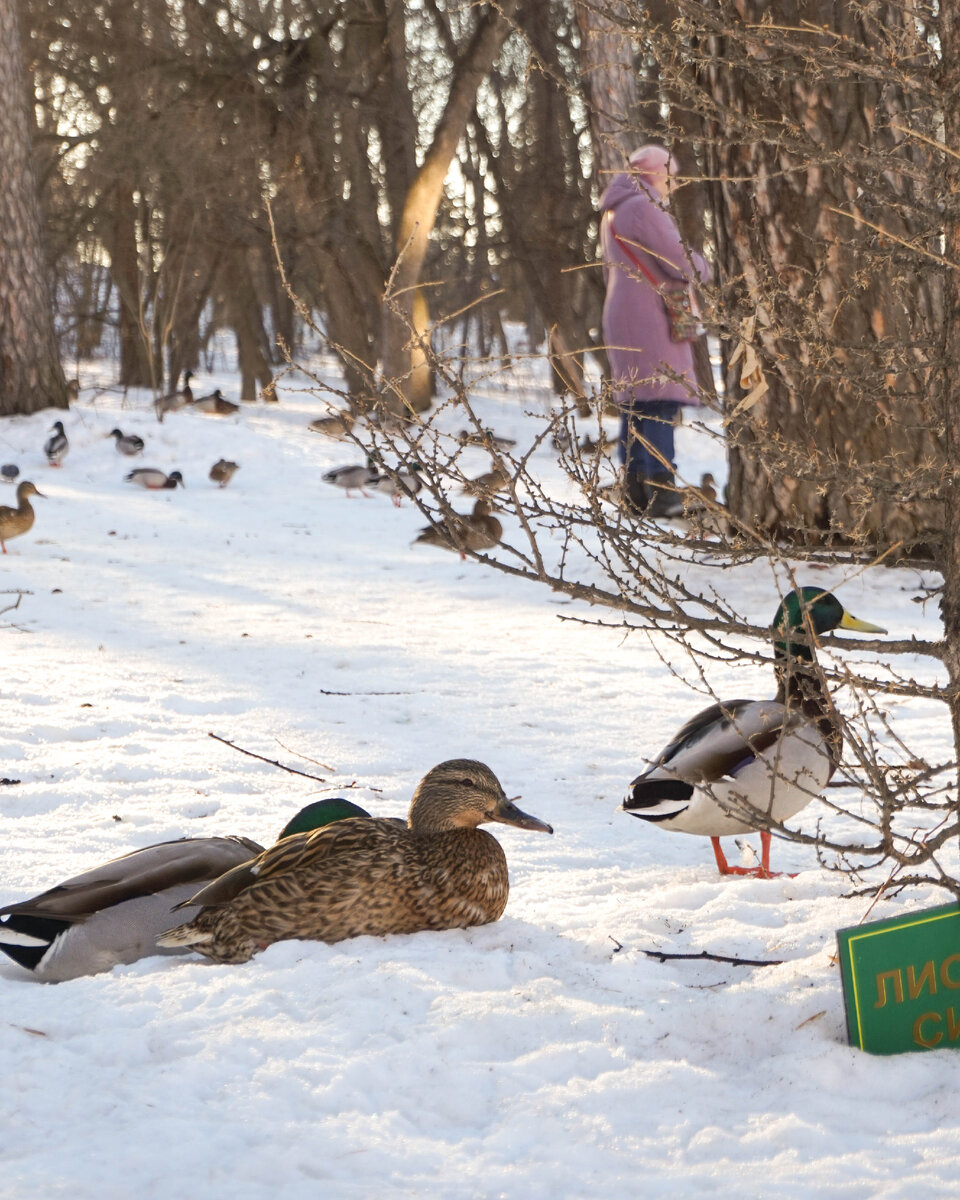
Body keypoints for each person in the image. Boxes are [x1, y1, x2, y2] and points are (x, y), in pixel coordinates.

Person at [599, 145, 711, 517]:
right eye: (670, 176)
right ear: (654, 174)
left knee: (636, 403)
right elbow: (678, 261)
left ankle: (634, 491)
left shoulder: (614, 211)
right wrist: (704, 266)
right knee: (660, 400)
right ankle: (663, 491)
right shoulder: (644, 207)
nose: (674, 185)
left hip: (622, 311)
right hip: (649, 314)